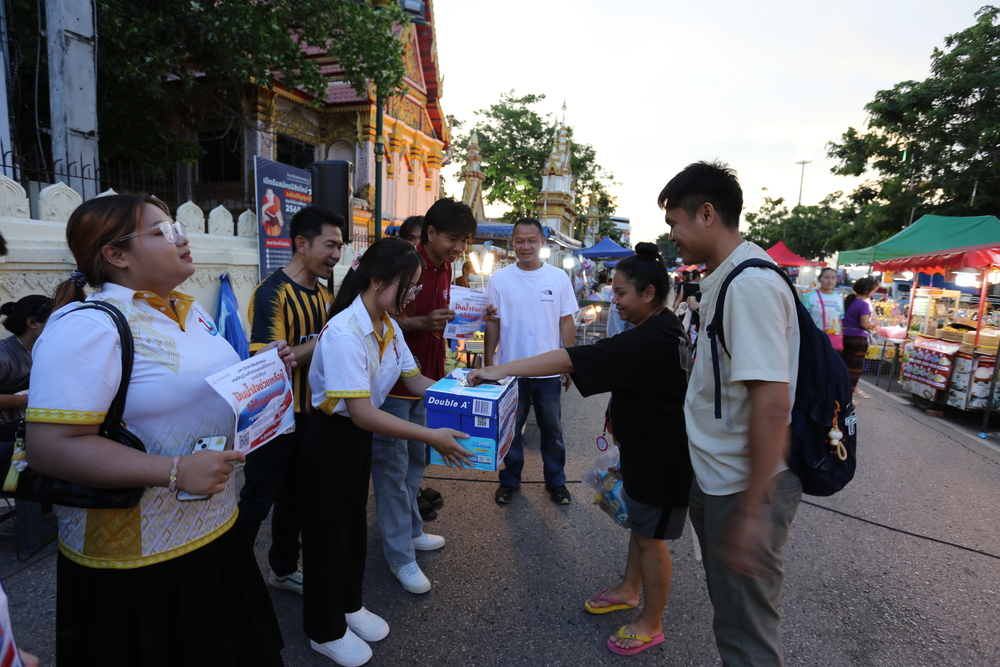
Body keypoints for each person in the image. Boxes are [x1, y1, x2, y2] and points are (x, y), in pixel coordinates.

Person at [25, 193, 286, 666]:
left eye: (177, 226)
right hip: (137, 558)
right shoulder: (89, 325)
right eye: (163, 231)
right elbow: (49, 448)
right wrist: (174, 470)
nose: (182, 237)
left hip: (214, 528)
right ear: (116, 255)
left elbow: (190, 390)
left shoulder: (191, 310)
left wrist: (258, 372)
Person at [469, 242, 691, 656]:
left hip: (664, 458)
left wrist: (496, 368)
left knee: (651, 539)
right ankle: (629, 589)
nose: (614, 300)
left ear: (648, 294)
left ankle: (651, 622)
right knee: (641, 531)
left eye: (621, 293)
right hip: (647, 449)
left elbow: (569, 357)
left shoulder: (650, 340)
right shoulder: (660, 328)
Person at [298, 237, 473, 666]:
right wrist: (432, 437)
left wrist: (467, 396)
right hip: (331, 439)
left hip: (355, 439)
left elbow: (415, 383)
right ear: (378, 281)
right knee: (326, 537)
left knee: (353, 528)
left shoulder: (387, 324)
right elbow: (361, 414)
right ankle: (324, 629)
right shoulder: (343, 332)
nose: (412, 296)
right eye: (407, 287)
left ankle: (349, 604)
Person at [659, 161, 802, 667]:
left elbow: (770, 402)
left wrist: (754, 509)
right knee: (734, 620)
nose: (671, 233)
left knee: (746, 635)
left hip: (744, 487)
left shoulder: (749, 285)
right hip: (723, 480)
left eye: (675, 221)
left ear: (706, 213)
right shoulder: (726, 278)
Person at [237, 205, 345, 595]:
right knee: (256, 501)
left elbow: (303, 354)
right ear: (301, 244)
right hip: (275, 421)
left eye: (340, 246)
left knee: (295, 500)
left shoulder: (323, 293)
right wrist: (328, 342)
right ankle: (229, 577)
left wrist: (311, 350)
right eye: (330, 245)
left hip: (312, 416)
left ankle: (282, 569)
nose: (337, 254)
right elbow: (268, 366)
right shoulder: (272, 293)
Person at [378, 198, 477, 593]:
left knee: (416, 462)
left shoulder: (448, 267)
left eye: (465, 241)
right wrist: (419, 321)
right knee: (391, 470)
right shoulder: (403, 263)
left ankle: (413, 530)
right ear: (430, 233)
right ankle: (399, 556)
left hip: (429, 377)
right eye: (453, 239)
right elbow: (375, 315)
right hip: (395, 385)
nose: (459, 248)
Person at [485, 218, 577, 505]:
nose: (526, 246)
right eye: (520, 241)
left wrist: (572, 362)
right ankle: (510, 481)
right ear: (512, 243)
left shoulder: (558, 277)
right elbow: (492, 322)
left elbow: (566, 321)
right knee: (510, 430)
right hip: (511, 372)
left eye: (531, 241)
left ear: (542, 243)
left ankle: (556, 483)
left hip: (549, 372)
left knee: (553, 431)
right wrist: (489, 362)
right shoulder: (500, 278)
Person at [0, 295, 52, 424]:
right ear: (32, 323)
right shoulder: (4, 354)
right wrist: (20, 401)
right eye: (55, 320)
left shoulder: (48, 352)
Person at [842, 276, 878, 399]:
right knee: (853, 370)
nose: (874, 293)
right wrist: (873, 325)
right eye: (874, 290)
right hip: (857, 340)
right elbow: (865, 324)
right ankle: (846, 398)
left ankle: (838, 396)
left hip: (843, 337)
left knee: (842, 367)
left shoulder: (848, 301)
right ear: (867, 291)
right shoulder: (863, 305)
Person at [804, 267, 844, 345]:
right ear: (819, 279)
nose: (830, 281)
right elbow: (803, 319)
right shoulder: (810, 296)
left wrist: (841, 337)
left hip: (833, 338)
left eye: (833, 278)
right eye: (826, 278)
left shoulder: (839, 298)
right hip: (814, 338)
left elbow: (840, 320)